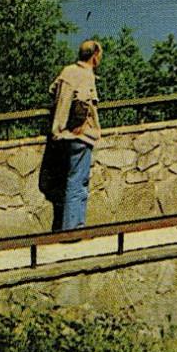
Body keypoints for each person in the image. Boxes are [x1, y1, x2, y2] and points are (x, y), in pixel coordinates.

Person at [49, 40, 103, 231]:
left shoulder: (67, 71)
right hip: (78, 137)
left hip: (60, 136)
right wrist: (78, 124)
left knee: (69, 180)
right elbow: (82, 101)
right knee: (78, 183)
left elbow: (52, 90)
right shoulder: (85, 75)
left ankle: (69, 227)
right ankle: (73, 230)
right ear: (94, 54)